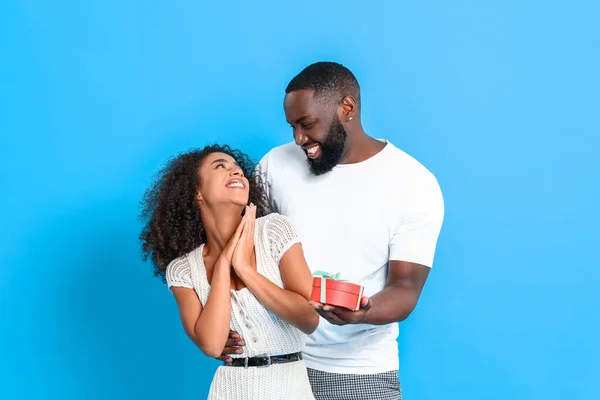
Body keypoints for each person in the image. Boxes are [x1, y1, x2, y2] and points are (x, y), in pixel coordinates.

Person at [219, 62, 445, 399]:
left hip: (360, 373)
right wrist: (226, 326)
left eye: (307, 124)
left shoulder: (413, 183)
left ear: (347, 108)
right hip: (277, 364)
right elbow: (243, 257)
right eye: (293, 126)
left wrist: (361, 312)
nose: (298, 139)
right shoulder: (275, 166)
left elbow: (405, 289)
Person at [139, 144, 319, 400]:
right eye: (221, 166)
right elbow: (212, 345)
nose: (236, 172)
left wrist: (244, 268)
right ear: (196, 192)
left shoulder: (274, 231)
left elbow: (309, 320)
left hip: (291, 387)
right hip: (231, 389)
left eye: (238, 168)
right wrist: (224, 265)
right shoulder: (183, 270)